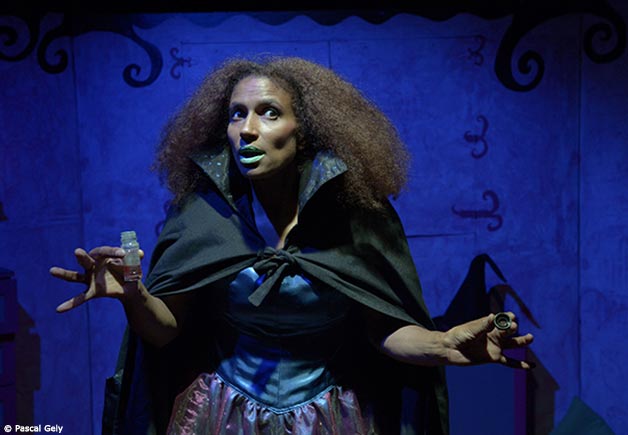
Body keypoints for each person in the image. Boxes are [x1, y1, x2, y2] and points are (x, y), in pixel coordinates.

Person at [50, 55, 534, 435]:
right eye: (237, 114)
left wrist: (442, 344)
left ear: (303, 132)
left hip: (330, 417)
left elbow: (384, 330)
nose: (247, 129)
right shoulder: (203, 215)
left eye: (268, 113)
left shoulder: (357, 215)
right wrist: (134, 296)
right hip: (221, 416)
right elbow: (165, 332)